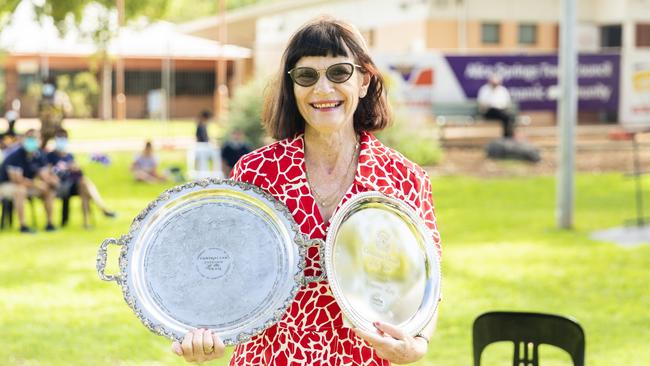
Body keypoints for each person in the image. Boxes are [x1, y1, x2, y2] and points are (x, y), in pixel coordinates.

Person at [171, 17, 442, 365]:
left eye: (339, 72)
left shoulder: (405, 179)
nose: (323, 89)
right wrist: (212, 335)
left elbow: (426, 285)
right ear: (292, 88)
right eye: (307, 76)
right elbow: (228, 276)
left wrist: (417, 344)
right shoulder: (256, 173)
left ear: (363, 81)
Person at [46, 128, 115, 228]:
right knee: (84, 185)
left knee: (84, 185)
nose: (62, 141)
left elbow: (79, 174)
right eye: (60, 138)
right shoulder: (50, 156)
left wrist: (75, 168)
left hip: (71, 184)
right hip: (59, 186)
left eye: (64, 138)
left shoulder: (69, 156)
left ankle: (87, 222)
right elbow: (48, 173)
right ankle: (103, 209)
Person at [0, 129, 58, 233]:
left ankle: (50, 224)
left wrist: (51, 181)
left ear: (40, 140)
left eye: (34, 138)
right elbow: (17, 180)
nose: (32, 141)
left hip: (28, 185)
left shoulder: (39, 154)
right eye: (29, 138)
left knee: (48, 190)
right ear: (24, 140)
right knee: (20, 190)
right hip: (6, 185)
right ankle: (23, 226)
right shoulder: (16, 155)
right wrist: (36, 184)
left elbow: (44, 174)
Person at [477, 74, 515, 139]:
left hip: (501, 112)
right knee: (505, 116)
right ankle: (507, 137)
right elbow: (481, 105)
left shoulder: (503, 90)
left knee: (508, 117)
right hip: (489, 112)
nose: (495, 84)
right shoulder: (484, 89)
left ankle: (508, 136)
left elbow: (507, 104)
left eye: (496, 83)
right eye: (493, 82)